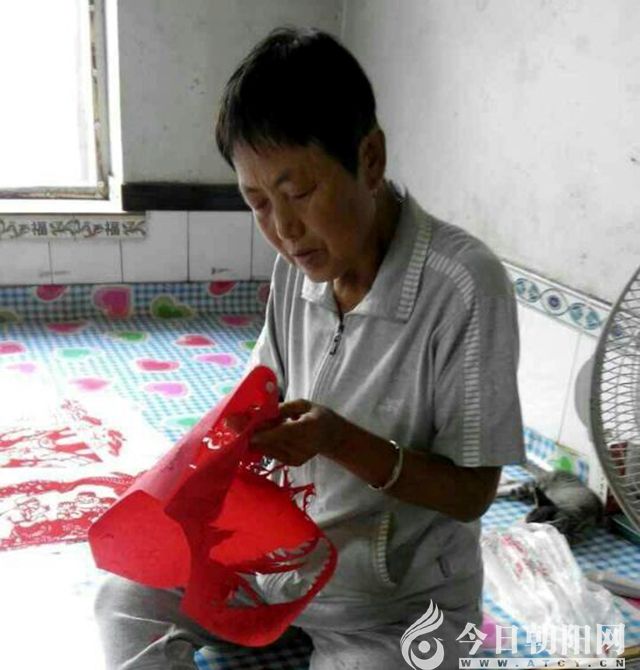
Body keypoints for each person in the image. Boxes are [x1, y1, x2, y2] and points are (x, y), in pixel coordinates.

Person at [95, 26, 524, 669]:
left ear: (370, 159)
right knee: (123, 600)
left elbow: (472, 492)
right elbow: (259, 396)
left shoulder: (463, 286)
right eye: (258, 202)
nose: (284, 229)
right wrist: (201, 464)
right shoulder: (299, 268)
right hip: (275, 565)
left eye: (299, 193)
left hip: (396, 609)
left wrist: (338, 440)